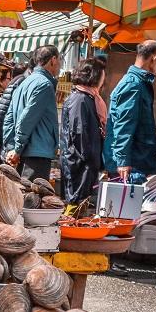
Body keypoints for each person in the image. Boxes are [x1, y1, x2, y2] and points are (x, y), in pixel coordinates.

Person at [103, 40, 156, 182]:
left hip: (137, 161)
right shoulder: (133, 84)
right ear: (155, 58)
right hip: (131, 165)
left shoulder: (139, 82)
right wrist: (123, 161)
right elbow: (124, 125)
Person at [3, 45, 61, 181]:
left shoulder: (24, 83)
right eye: (59, 60)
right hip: (36, 154)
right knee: (32, 193)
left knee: (22, 191)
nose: (59, 64)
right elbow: (27, 119)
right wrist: (16, 149)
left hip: (25, 152)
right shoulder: (44, 84)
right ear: (53, 60)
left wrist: (12, 147)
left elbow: (9, 119)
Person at [60, 58, 107, 203]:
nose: (104, 79)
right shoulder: (80, 99)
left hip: (85, 165)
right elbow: (79, 134)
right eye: (102, 74)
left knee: (82, 204)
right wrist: (90, 159)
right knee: (76, 204)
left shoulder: (89, 98)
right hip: (79, 166)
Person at [0, 60, 32, 159]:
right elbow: (0, 119)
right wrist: (7, 144)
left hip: (10, 144)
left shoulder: (15, 85)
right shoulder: (19, 84)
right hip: (11, 146)